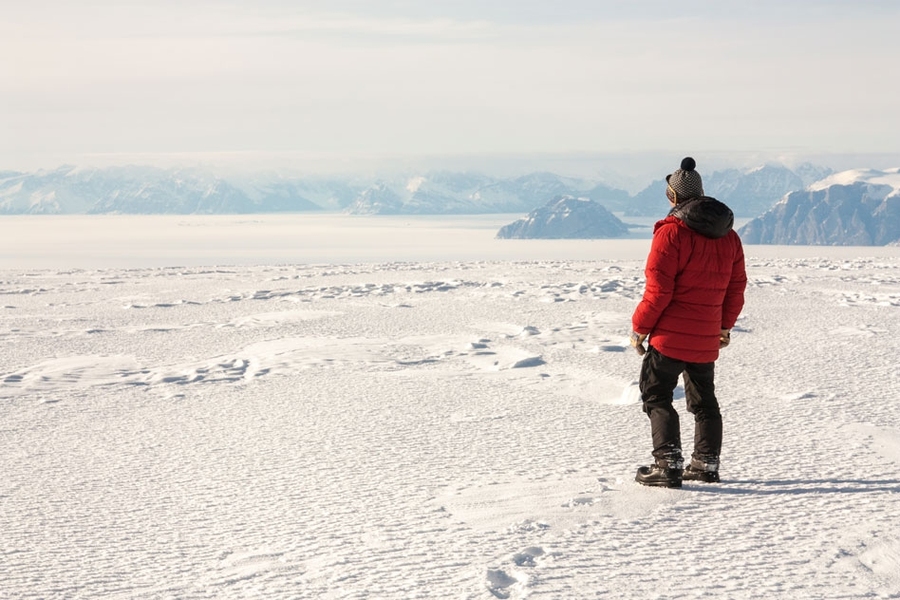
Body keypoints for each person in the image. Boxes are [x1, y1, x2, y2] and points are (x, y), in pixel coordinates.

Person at [630, 157, 747, 488]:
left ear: (672, 196)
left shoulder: (671, 234)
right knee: (705, 402)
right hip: (705, 337)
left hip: (669, 337)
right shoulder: (729, 237)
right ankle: (706, 464)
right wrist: (723, 327)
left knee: (656, 395)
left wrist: (640, 328)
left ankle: (667, 465)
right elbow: (735, 287)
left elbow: (658, 290)